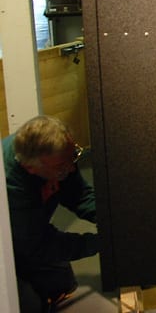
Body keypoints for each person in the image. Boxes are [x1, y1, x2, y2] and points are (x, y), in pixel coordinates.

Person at [2, 116, 99, 312]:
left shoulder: (55, 154)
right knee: (29, 305)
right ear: (31, 168)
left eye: (73, 156)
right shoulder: (8, 187)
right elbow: (40, 244)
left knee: (62, 284)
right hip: (6, 247)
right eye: (62, 167)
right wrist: (101, 243)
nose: (71, 169)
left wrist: (114, 220)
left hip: (28, 236)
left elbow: (79, 195)